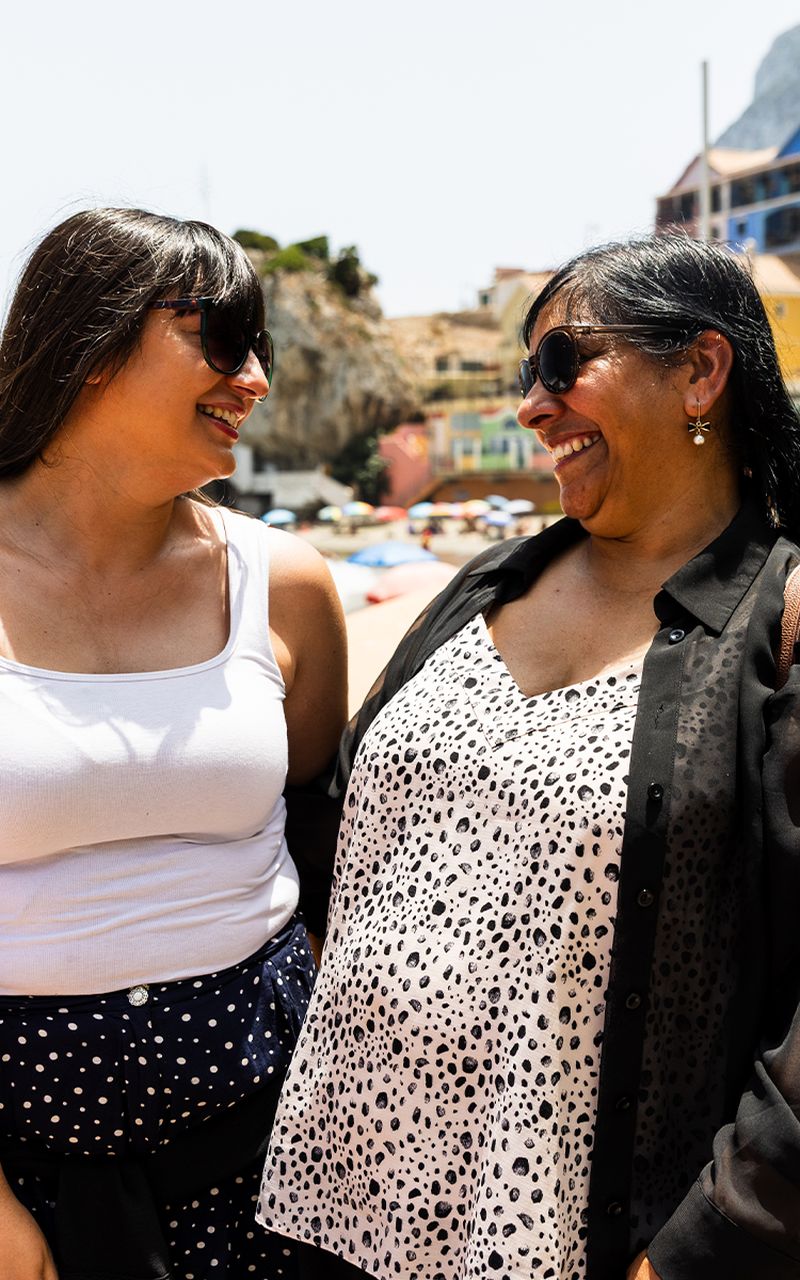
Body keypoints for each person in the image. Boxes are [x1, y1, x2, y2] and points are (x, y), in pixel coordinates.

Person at [257, 234, 800, 1279]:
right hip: (330, 1205)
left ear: (698, 370)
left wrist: (701, 1248)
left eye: (561, 364)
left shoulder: (775, 623)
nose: (530, 408)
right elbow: (338, 816)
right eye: (522, 376)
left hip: (564, 1242)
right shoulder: (483, 586)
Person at [0, 208, 347, 1280]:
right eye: (220, 339)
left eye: (261, 351)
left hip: (272, 1154)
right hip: (23, 1179)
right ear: (91, 341)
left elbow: (321, 839)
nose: (251, 379)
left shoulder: (285, 584)